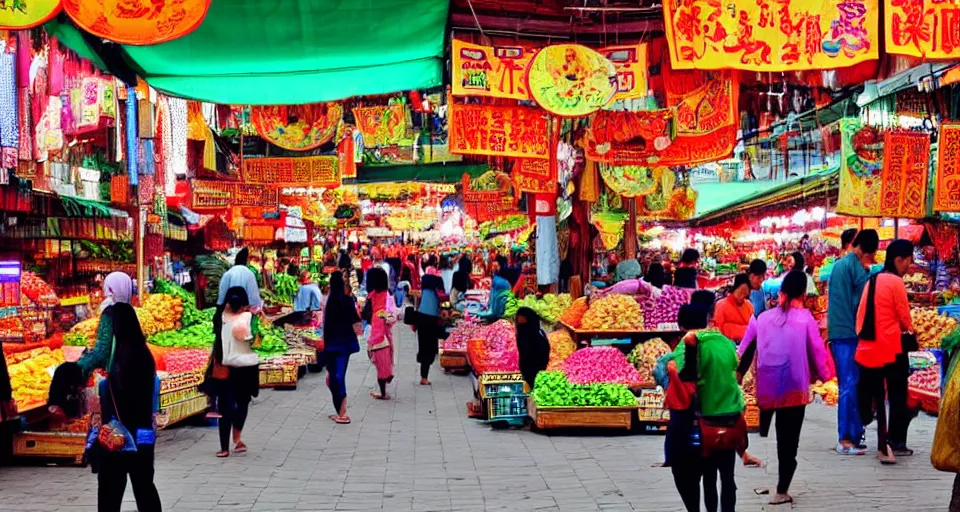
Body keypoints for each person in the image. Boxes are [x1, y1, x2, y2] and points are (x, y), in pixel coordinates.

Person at [738, 271, 834, 505]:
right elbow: (817, 351)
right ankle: (782, 489)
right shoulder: (805, 319)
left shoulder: (761, 317)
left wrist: (739, 376)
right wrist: (826, 376)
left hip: (768, 388)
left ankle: (765, 430)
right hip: (794, 386)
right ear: (803, 292)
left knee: (779, 429)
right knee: (788, 439)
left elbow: (745, 349)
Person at [669, 303, 745, 512]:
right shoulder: (726, 343)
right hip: (730, 417)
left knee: (709, 476)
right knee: (728, 476)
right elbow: (733, 371)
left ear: (682, 325)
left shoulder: (687, 345)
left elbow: (686, 379)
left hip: (707, 421)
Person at [93, 302, 163, 512]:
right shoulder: (143, 352)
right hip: (143, 431)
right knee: (143, 484)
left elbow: (120, 393)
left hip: (119, 431)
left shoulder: (121, 357)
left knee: (110, 488)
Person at [856, 238, 915, 464]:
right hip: (892, 347)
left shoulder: (873, 279)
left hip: (871, 347)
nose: (909, 266)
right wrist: (912, 331)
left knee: (879, 396)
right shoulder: (896, 282)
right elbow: (904, 317)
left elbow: (861, 316)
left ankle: (883, 442)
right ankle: (894, 442)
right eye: (908, 261)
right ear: (899, 260)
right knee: (898, 394)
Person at [827, 229, 878, 454]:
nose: (872, 259)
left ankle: (854, 434)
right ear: (863, 250)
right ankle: (846, 438)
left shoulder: (841, 265)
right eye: (872, 255)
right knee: (849, 385)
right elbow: (862, 299)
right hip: (848, 333)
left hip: (841, 333)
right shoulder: (853, 267)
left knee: (851, 384)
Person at [215, 287, 260, 458]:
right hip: (246, 368)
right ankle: (237, 437)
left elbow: (217, 339)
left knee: (225, 406)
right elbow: (257, 341)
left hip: (225, 367)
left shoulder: (219, 317)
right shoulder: (250, 318)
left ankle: (224, 448)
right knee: (243, 402)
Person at [77, 272, 135, 376]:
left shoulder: (110, 312)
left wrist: (78, 367)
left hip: (115, 373)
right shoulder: (131, 311)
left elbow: (102, 351)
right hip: (132, 370)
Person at [323, 271, 362, 423]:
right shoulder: (347, 301)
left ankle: (341, 412)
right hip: (345, 344)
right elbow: (356, 321)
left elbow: (326, 327)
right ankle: (341, 411)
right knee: (340, 375)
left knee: (335, 376)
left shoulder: (329, 303)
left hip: (332, 344)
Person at [364, 267, 396, 400]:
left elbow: (366, 313)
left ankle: (383, 391)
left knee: (378, 360)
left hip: (375, 331)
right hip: (385, 330)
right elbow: (392, 312)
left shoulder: (371, 296)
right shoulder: (387, 294)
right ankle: (387, 376)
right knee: (386, 356)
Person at [414, 267, 444, 385]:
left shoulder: (425, 284)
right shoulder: (438, 285)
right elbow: (443, 298)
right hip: (431, 317)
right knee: (429, 347)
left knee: (423, 345)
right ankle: (424, 377)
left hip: (422, 316)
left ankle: (423, 376)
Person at [515, 307, 550, 389]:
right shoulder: (540, 333)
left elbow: (525, 356)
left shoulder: (525, 337)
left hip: (532, 372)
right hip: (538, 373)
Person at [714, 273, 753, 342]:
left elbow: (753, 329)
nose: (742, 296)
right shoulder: (721, 305)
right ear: (734, 289)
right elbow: (719, 330)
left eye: (745, 294)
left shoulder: (749, 305)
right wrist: (745, 329)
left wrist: (730, 327)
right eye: (741, 292)